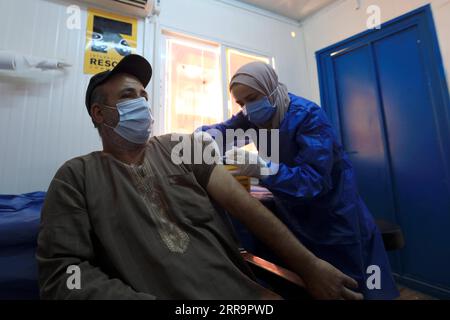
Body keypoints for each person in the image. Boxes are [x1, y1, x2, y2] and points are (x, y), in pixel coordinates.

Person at [36, 54, 363, 300]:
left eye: (144, 97)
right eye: (127, 96)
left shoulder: (181, 146)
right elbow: (63, 275)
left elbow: (247, 210)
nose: (141, 104)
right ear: (99, 113)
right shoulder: (75, 177)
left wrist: (308, 265)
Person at [199, 61, 399, 300]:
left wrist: (261, 168)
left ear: (270, 88)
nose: (248, 109)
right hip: (293, 212)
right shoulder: (252, 117)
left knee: (346, 285)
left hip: (332, 215)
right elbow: (222, 131)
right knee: (307, 282)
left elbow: (313, 181)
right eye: (241, 103)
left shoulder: (308, 116)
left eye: (252, 98)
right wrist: (200, 140)